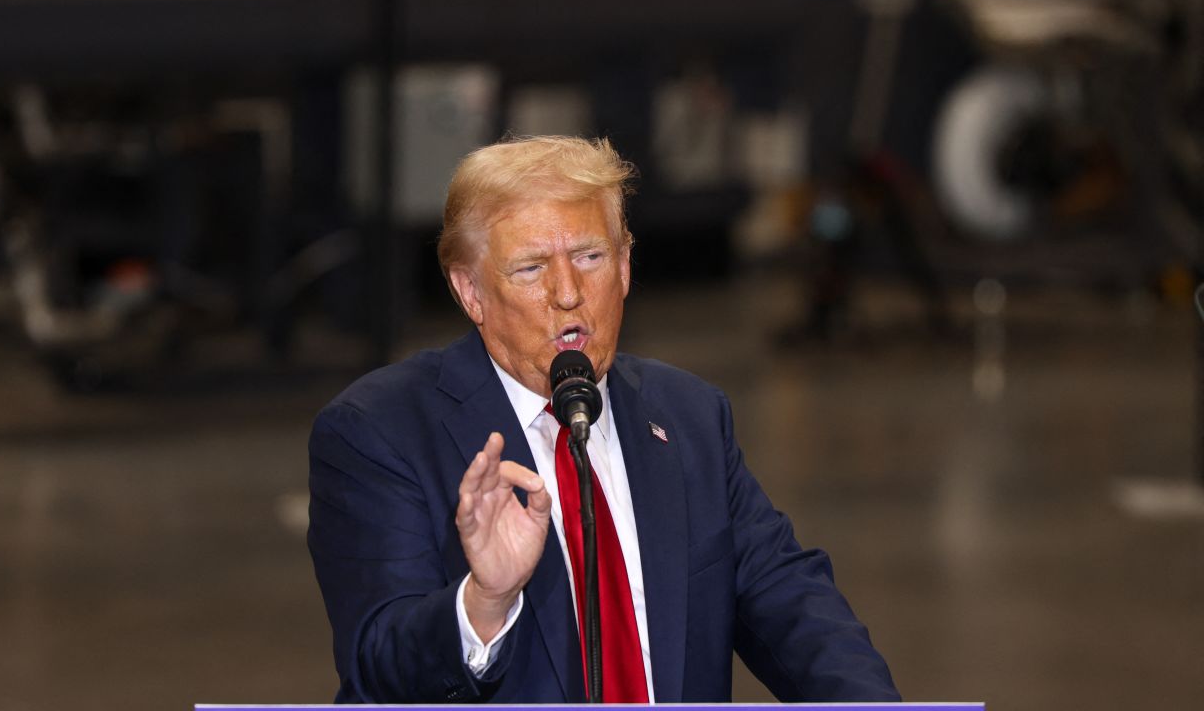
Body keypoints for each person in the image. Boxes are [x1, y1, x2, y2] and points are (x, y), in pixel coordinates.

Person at [307, 136, 899, 704]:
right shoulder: (379, 432)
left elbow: (794, 609)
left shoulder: (688, 415)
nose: (569, 293)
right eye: (532, 269)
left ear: (624, 266)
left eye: (590, 257)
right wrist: (484, 602)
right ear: (471, 291)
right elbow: (376, 666)